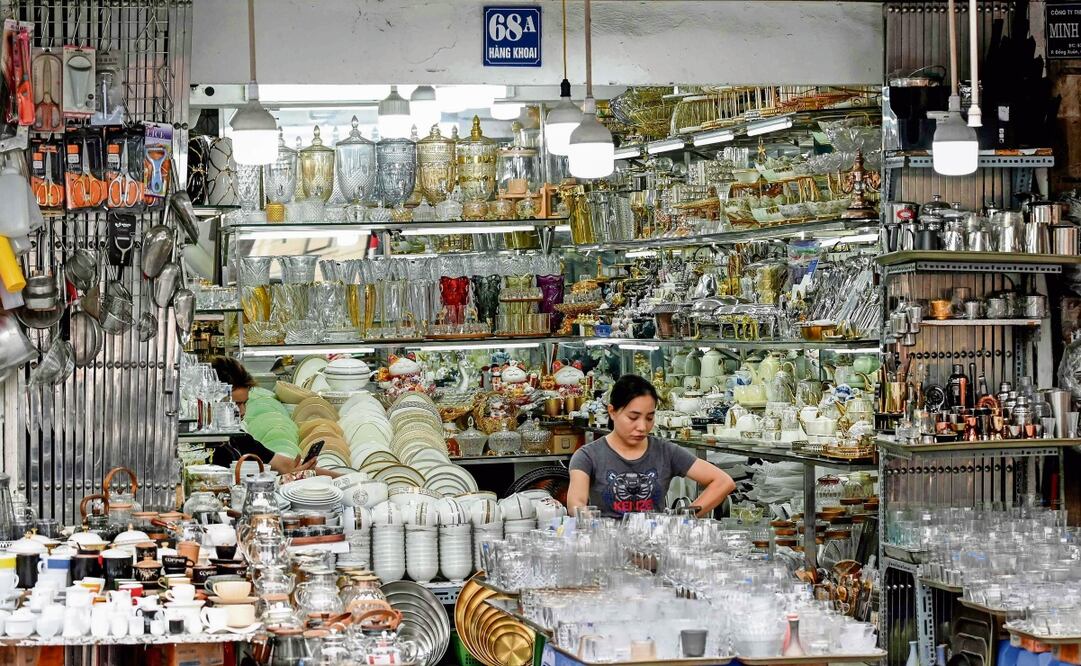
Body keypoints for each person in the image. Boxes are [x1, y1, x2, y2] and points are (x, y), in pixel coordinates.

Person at [568, 374, 735, 519]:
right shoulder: (587, 456)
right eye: (633, 417)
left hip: (654, 547)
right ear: (612, 411)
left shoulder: (666, 451)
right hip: (608, 547)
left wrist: (682, 519)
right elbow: (576, 503)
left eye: (649, 418)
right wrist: (593, 525)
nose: (642, 427)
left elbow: (723, 482)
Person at [209, 356, 336, 477]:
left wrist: (350, 477)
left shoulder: (240, 439)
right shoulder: (202, 447)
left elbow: (287, 466)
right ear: (211, 401)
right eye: (235, 404)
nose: (242, 411)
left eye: (245, 403)